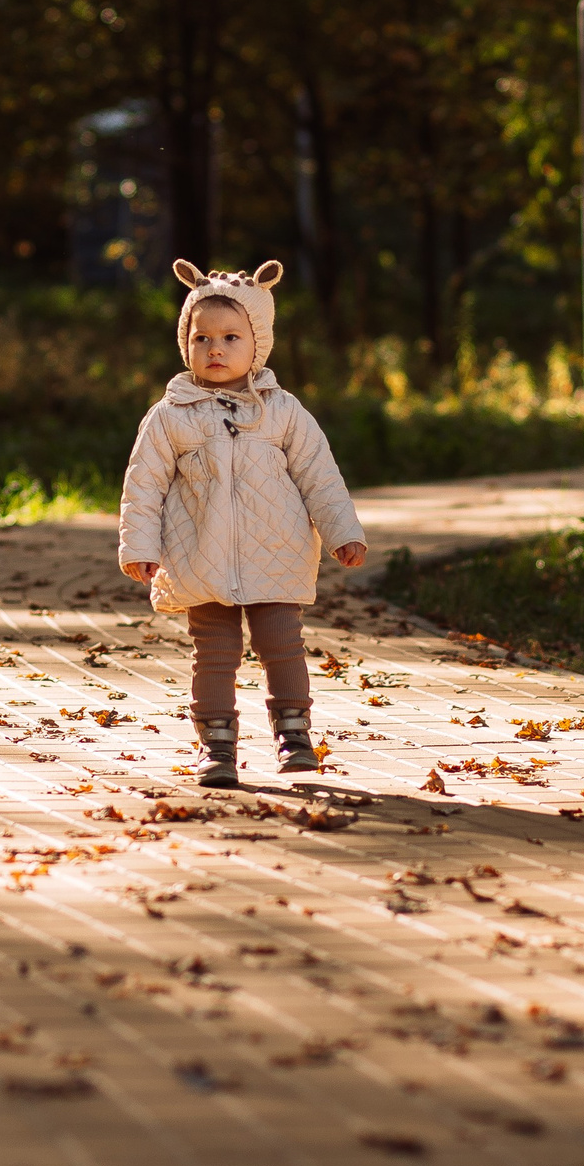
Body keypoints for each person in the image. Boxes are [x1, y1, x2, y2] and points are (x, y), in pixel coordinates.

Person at [118, 259, 367, 788]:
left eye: (231, 337)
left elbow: (319, 476)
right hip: (198, 557)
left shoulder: (282, 411)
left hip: (276, 552)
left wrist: (343, 531)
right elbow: (144, 485)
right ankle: (217, 745)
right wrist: (139, 544)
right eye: (201, 337)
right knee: (213, 653)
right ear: (184, 341)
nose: (215, 349)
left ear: (258, 343)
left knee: (282, 644)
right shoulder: (169, 415)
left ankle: (294, 732)